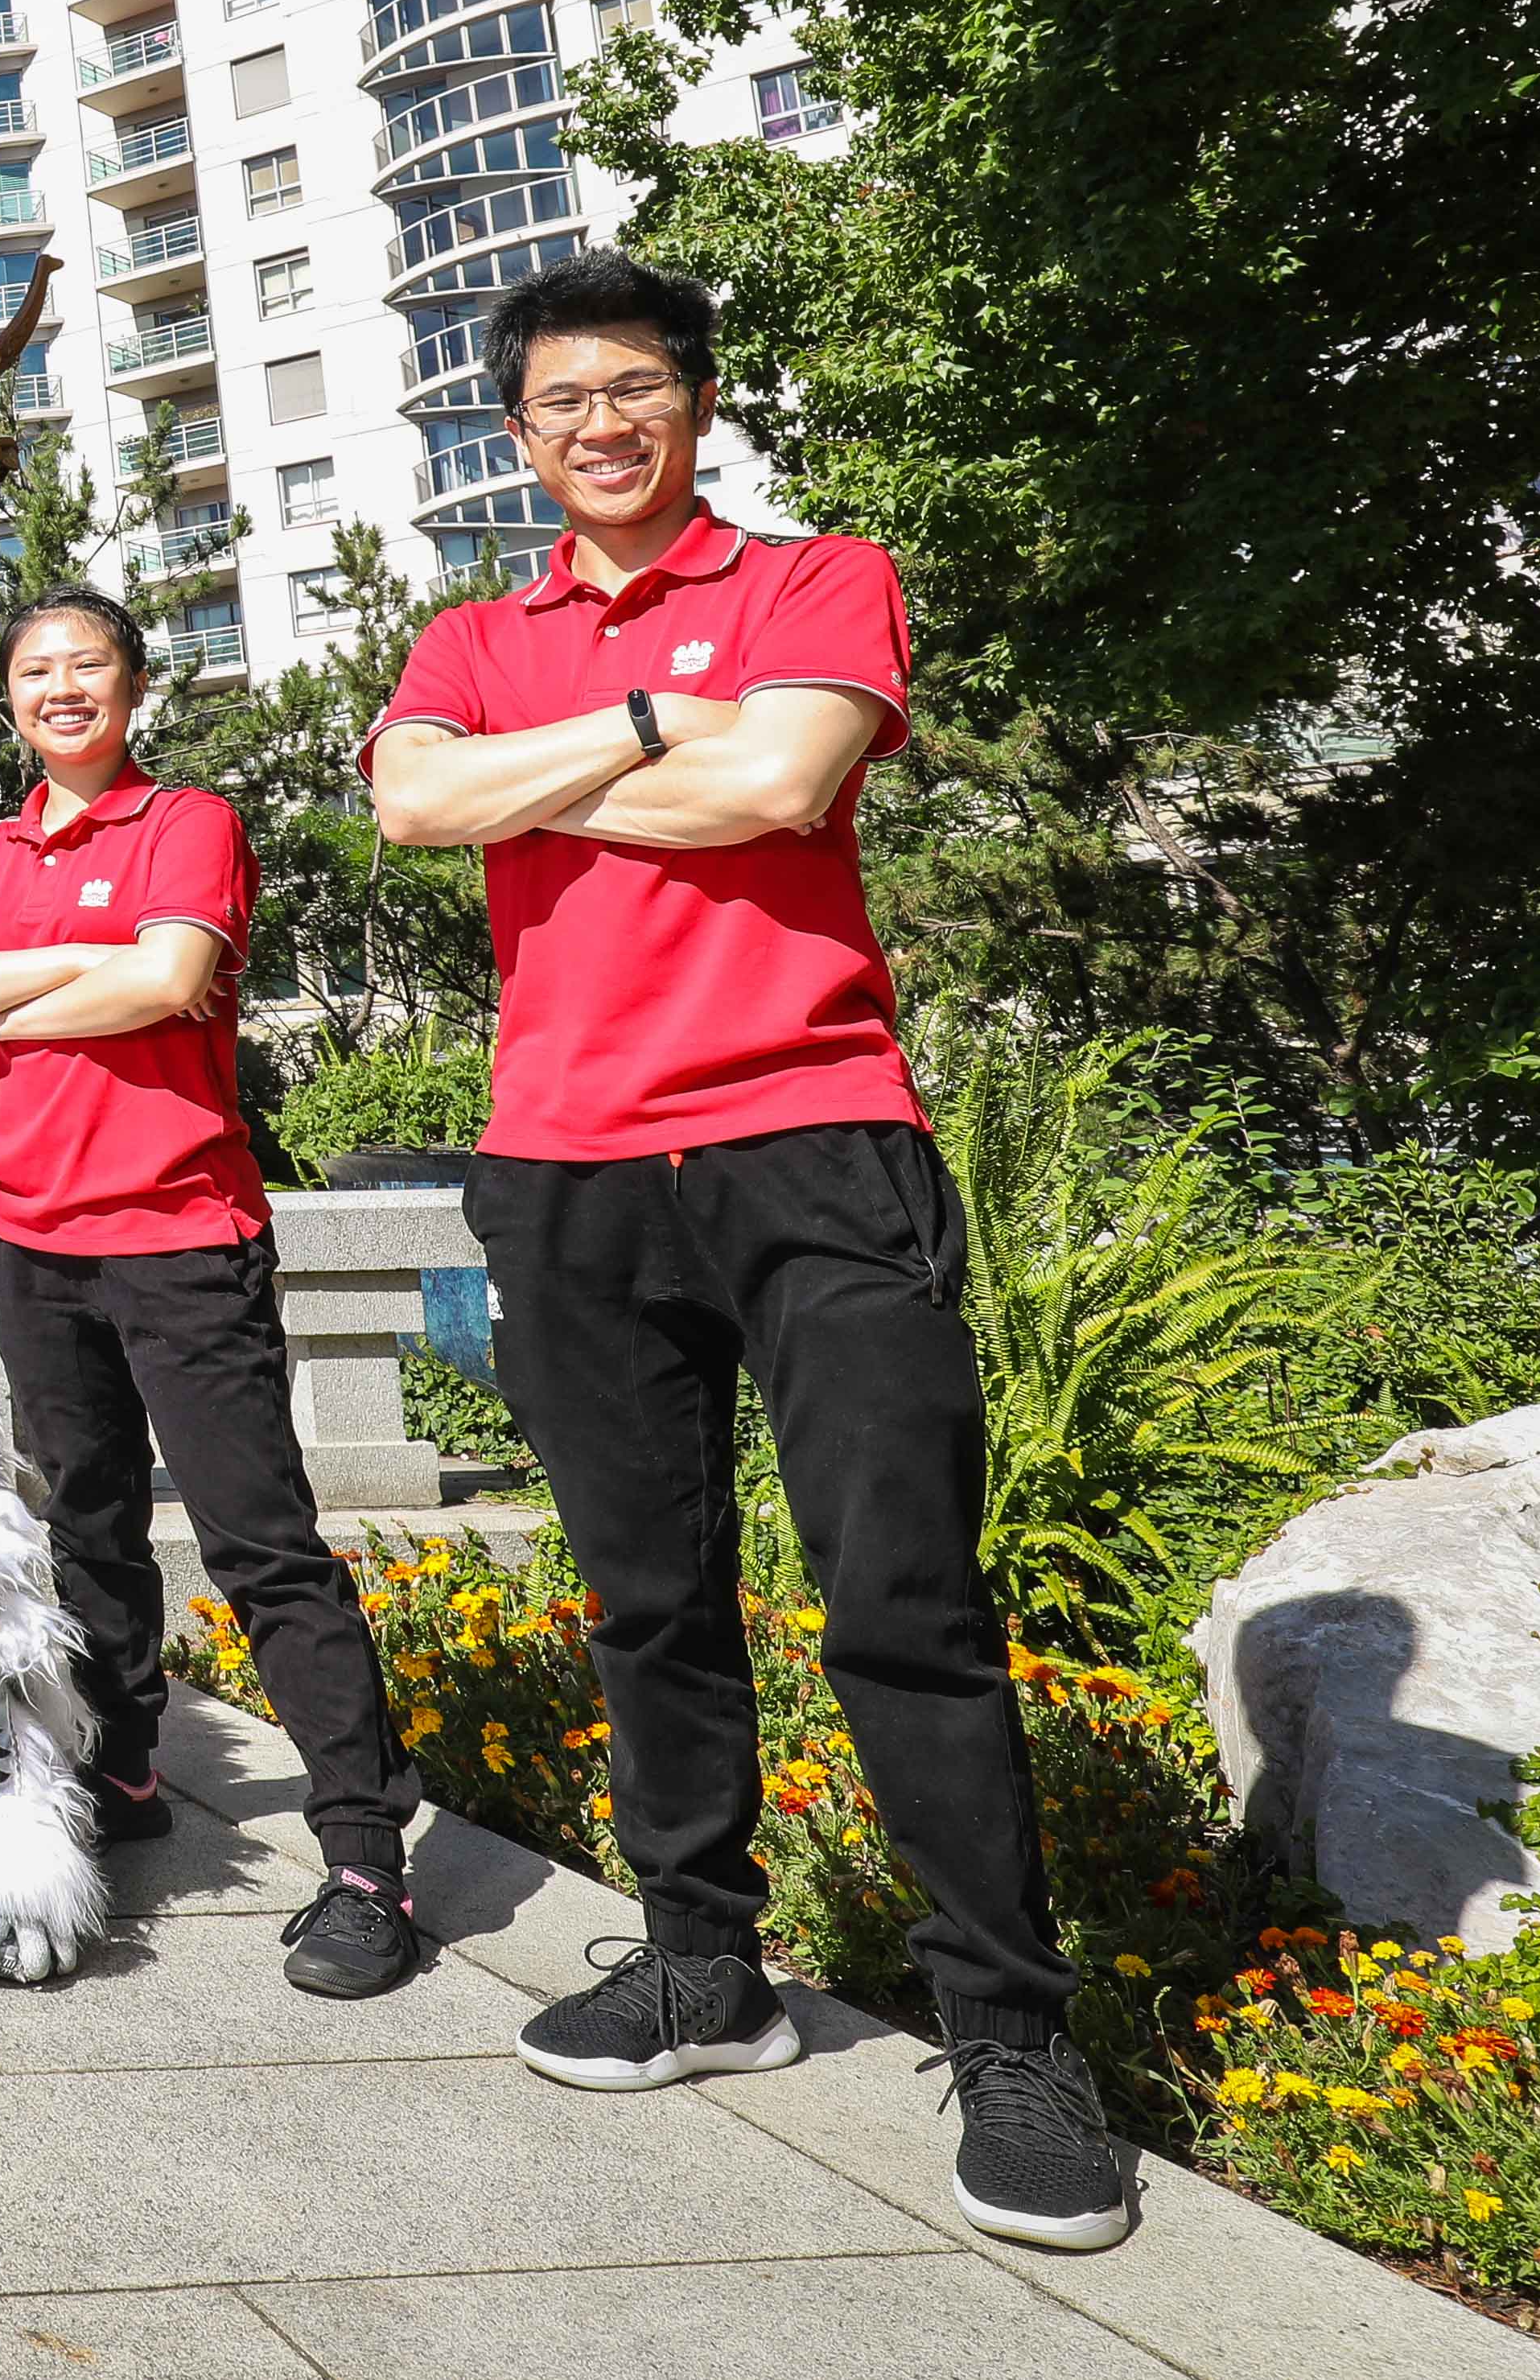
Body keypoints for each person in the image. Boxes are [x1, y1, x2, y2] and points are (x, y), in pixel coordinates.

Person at [363, 249, 1138, 2252]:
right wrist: (641, 722)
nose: (598, 423)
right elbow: (412, 801)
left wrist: (543, 782)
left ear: (693, 403)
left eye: (633, 386)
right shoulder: (475, 628)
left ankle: (1013, 2028)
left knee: (903, 1587)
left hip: (814, 1139)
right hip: (565, 1163)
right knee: (648, 1593)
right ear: (515, 436)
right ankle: (705, 1958)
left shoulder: (814, 580)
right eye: (557, 401)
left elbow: (788, 774)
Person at [0, 589, 427, 2003]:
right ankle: (121, 1766)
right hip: (33, 1239)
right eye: (33, 671)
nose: (60, 688)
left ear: (133, 686)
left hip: (181, 1231)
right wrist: (94, 969)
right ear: (10, 700)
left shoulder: (187, 824)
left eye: (86, 666)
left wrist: (8, 994)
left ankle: (366, 1850)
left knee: (261, 1541)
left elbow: (172, 976)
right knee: (90, 1520)